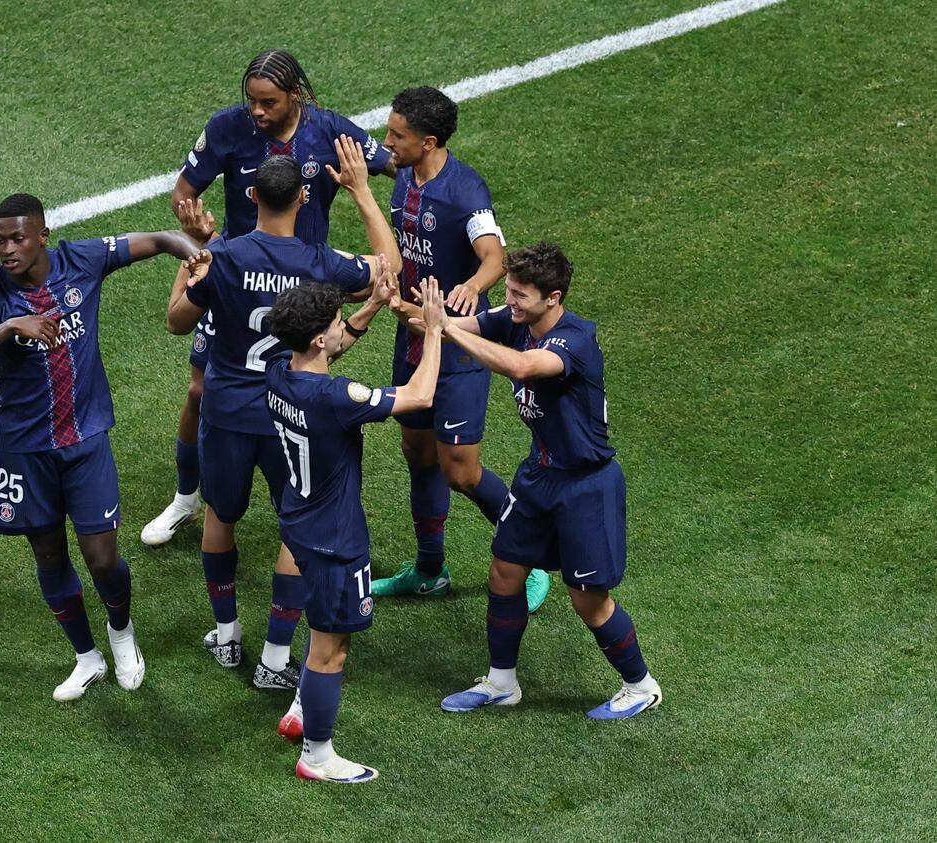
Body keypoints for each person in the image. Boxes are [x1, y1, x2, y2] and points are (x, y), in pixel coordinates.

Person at [0, 193, 203, 701]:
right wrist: (8, 327)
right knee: (50, 554)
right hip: (24, 449)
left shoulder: (82, 259)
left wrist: (196, 254)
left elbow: (160, 240)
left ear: (42, 236)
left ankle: (121, 634)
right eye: (0, 240)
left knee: (102, 558)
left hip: (85, 441)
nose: (7, 249)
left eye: (17, 238)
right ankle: (86, 657)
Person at [166, 143, 399, 691]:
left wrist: (192, 256)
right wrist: (363, 193)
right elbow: (386, 266)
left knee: (220, 517)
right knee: (294, 531)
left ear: (250, 197)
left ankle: (226, 635)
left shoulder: (225, 257)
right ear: (303, 197)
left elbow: (177, 321)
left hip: (225, 410)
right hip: (289, 411)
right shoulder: (319, 263)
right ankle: (274, 658)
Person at [141, 48, 396, 547]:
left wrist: (426, 197)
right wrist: (197, 231)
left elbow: (396, 164)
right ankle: (187, 496)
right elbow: (183, 193)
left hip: (307, 279)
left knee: (303, 387)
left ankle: (300, 496)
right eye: (251, 101)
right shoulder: (226, 130)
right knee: (200, 389)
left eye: (268, 102)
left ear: (294, 96)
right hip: (237, 275)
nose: (256, 112)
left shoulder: (329, 131)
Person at [425, 242, 662, 719]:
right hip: (540, 475)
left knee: (588, 601)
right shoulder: (519, 321)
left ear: (552, 298)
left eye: (519, 295)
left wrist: (444, 327)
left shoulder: (574, 341)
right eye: (508, 291)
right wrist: (408, 307)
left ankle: (640, 685)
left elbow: (520, 367)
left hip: (587, 485)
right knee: (505, 572)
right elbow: (460, 328)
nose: (508, 301)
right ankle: (501, 682)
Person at [372, 86, 551, 611]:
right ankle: (430, 570)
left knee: (461, 470)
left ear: (428, 141)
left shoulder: (466, 191)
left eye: (397, 136)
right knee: (417, 454)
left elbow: (495, 256)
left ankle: (533, 555)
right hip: (412, 338)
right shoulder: (404, 173)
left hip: (460, 348)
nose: (389, 143)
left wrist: (473, 287)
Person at [265, 275, 448, 783]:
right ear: (319, 338)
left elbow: (331, 349)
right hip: (335, 540)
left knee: (321, 623)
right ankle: (317, 756)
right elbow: (419, 394)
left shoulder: (278, 369)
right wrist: (432, 331)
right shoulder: (333, 397)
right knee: (333, 647)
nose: (341, 328)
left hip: (298, 523)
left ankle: (302, 705)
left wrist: (369, 305)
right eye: (334, 323)